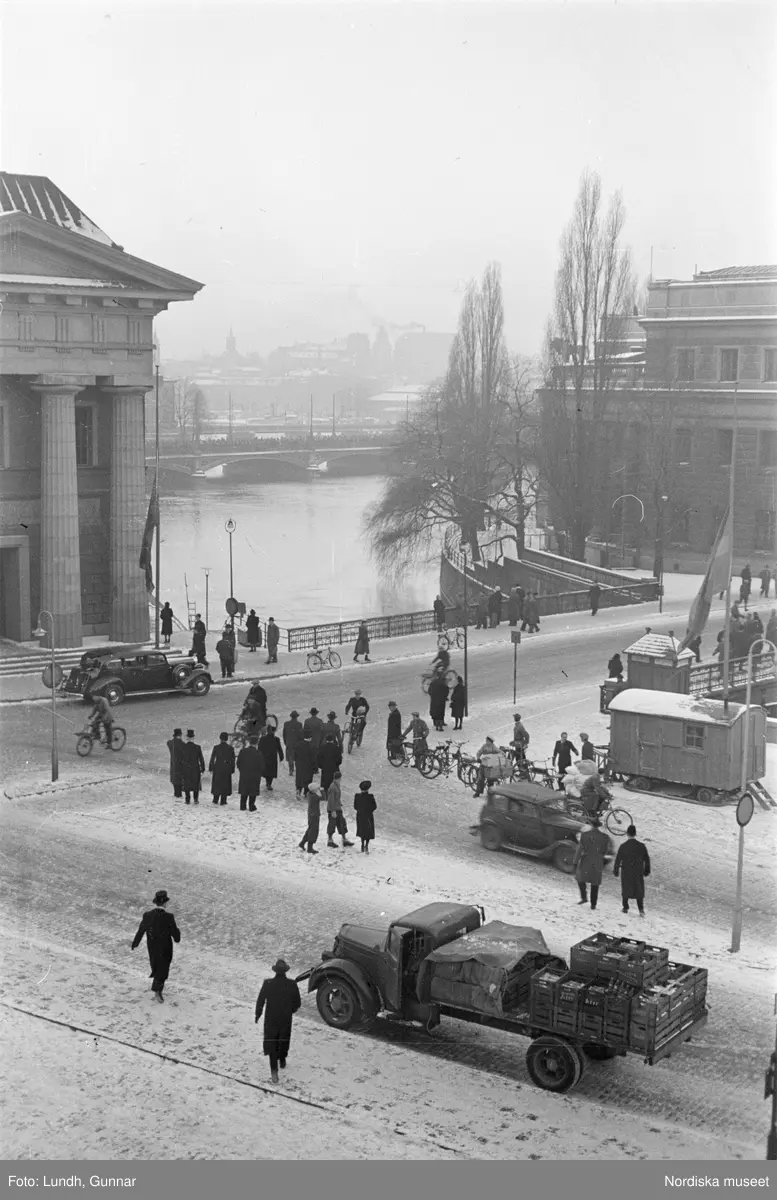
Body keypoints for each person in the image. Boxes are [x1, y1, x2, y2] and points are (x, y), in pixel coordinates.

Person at [255, 959, 302, 1084]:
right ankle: (282, 1059)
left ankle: (274, 1071)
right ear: (286, 971)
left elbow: (260, 1001)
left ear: (275, 971)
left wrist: (258, 1014)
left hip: (271, 1018)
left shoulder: (268, 983)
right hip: (285, 1018)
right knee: (283, 1039)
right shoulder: (292, 984)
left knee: (272, 1042)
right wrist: (290, 1010)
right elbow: (297, 1003)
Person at [131, 889, 181, 1004]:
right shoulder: (169, 917)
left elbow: (141, 930)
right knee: (163, 969)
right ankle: (157, 991)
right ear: (165, 903)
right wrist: (177, 935)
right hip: (165, 948)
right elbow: (176, 935)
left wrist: (135, 943)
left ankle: (157, 989)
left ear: (156, 902)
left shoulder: (148, 915)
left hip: (152, 946)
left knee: (157, 966)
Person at [573, 816, 609, 911]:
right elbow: (604, 851)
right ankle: (593, 904)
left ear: (591, 825)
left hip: (586, 859)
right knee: (595, 883)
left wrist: (575, 862)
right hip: (597, 861)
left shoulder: (585, 835)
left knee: (580, 878)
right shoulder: (605, 837)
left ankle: (584, 897)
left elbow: (579, 850)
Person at [614, 824, 651, 917]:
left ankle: (625, 907)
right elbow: (647, 859)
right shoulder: (641, 846)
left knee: (626, 888)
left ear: (627, 834)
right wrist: (647, 870)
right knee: (638, 889)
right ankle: (641, 909)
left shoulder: (623, 846)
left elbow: (618, 859)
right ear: (635, 834)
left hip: (626, 871)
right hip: (637, 871)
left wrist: (616, 870)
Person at [326, 771, 353, 848]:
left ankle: (344, 839)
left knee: (342, 823)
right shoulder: (333, 787)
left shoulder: (336, 785)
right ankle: (330, 841)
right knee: (332, 824)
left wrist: (339, 803)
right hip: (334, 809)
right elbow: (331, 800)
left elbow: (335, 798)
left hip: (337, 808)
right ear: (339, 778)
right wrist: (333, 811)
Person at [237, 736, 265, 811]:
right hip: (254, 776)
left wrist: (242, 771)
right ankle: (251, 806)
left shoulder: (242, 751)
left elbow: (238, 763)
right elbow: (262, 766)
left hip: (244, 774)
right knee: (253, 791)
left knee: (244, 790)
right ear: (256, 743)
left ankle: (242, 806)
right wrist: (259, 773)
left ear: (249, 742)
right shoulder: (258, 753)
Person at [208, 732, 235, 806]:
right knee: (225, 784)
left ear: (220, 738)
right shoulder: (230, 748)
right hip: (226, 767)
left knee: (217, 783)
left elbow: (212, 758)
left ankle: (215, 799)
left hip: (218, 767)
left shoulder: (216, 747)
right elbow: (232, 760)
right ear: (227, 739)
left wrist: (211, 768)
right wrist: (232, 769)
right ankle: (223, 800)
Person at [181, 729, 205, 804]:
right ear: (193, 738)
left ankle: (187, 800)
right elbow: (201, 759)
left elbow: (180, 759)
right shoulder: (197, 747)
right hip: (195, 768)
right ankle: (195, 799)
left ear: (187, 738)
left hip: (186, 768)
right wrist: (203, 769)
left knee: (187, 784)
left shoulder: (183, 747)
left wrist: (181, 768)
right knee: (195, 784)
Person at [258, 724, 284, 793]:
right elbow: (279, 749)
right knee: (271, 772)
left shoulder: (262, 739)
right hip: (273, 758)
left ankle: (268, 783)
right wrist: (281, 756)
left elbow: (259, 749)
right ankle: (269, 784)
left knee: (267, 771)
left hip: (265, 757)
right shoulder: (276, 739)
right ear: (274, 732)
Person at [298, 784, 322, 853]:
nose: (318, 789)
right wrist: (322, 790)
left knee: (310, 829)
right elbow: (323, 797)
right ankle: (310, 848)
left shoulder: (309, 794)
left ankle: (302, 843)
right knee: (313, 830)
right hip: (314, 815)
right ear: (314, 790)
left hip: (311, 814)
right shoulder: (315, 797)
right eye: (317, 788)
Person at [354, 780, 377, 853]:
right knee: (368, 831)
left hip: (360, 816)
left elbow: (355, 806)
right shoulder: (370, 797)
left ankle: (362, 844)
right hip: (368, 816)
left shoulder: (357, 796)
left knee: (362, 830)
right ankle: (366, 845)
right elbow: (374, 806)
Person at [293, 732, 318, 798]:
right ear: (310, 738)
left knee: (299, 778)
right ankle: (306, 793)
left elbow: (294, 756)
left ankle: (298, 790)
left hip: (299, 765)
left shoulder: (297, 745)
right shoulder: (312, 747)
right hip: (309, 766)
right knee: (308, 780)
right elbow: (314, 759)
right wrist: (315, 768)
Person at [282, 710, 303, 777]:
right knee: (297, 757)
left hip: (289, 743)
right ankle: (298, 769)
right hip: (297, 743)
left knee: (290, 757)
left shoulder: (286, 724)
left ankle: (291, 770)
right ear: (297, 717)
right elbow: (301, 735)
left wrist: (286, 742)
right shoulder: (299, 724)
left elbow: (284, 734)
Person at [167, 728, 185, 798]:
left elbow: (168, 742)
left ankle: (176, 797)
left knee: (175, 781)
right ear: (180, 735)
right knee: (179, 782)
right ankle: (178, 797)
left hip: (173, 764)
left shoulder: (170, 743)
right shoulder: (182, 744)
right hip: (180, 765)